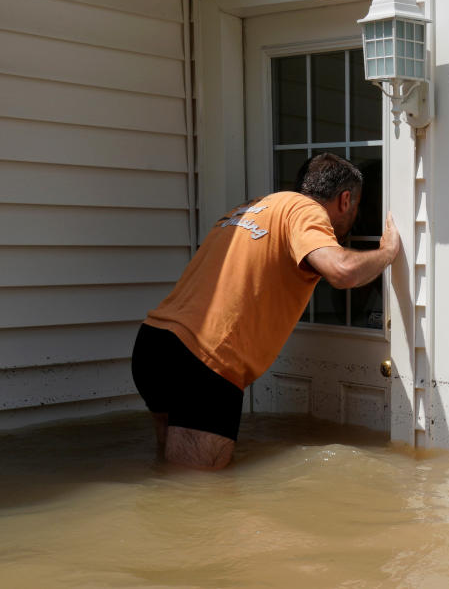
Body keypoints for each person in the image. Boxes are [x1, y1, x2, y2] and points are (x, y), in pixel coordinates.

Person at [131, 153, 400, 470]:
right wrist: (387, 252)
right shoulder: (305, 211)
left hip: (155, 343)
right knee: (197, 495)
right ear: (344, 200)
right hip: (206, 358)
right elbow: (342, 271)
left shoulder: (252, 208)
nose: (355, 219)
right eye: (356, 209)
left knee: (170, 476)